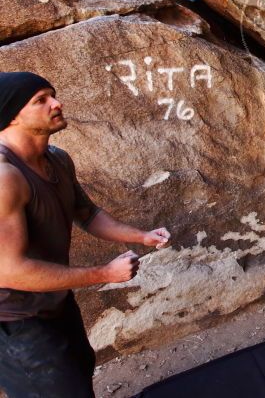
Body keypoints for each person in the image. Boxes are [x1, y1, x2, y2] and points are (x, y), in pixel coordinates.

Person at [0, 72, 171, 398]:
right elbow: (9, 271)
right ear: (10, 116)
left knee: (79, 370)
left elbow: (87, 214)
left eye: (53, 94)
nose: (56, 103)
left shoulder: (58, 160)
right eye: (41, 100)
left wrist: (141, 236)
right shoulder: (5, 177)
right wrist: (104, 274)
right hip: (13, 320)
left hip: (55, 302)